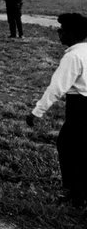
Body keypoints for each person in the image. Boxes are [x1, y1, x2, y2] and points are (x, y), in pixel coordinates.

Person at [26, 12, 87, 208]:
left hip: (80, 107)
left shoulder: (73, 56)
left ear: (71, 33)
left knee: (69, 147)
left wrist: (37, 111)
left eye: (61, 30)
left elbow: (56, 88)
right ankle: (76, 192)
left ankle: (75, 194)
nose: (59, 34)